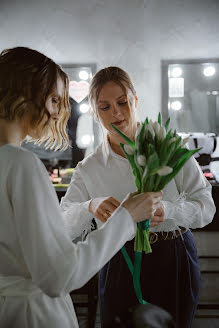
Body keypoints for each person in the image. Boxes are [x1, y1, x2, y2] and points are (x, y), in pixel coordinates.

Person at [0, 48, 164, 328]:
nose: (56, 113)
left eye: (123, 103)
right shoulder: (21, 164)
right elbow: (58, 276)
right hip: (32, 316)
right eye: (53, 99)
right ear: (25, 93)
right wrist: (126, 216)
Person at [60, 66, 216, 328]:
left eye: (122, 102)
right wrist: (90, 206)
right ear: (95, 112)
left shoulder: (171, 148)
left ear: (135, 99)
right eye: (105, 107)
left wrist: (169, 210)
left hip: (174, 257)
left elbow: (206, 207)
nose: (116, 113)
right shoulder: (89, 168)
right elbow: (62, 224)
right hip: (118, 259)